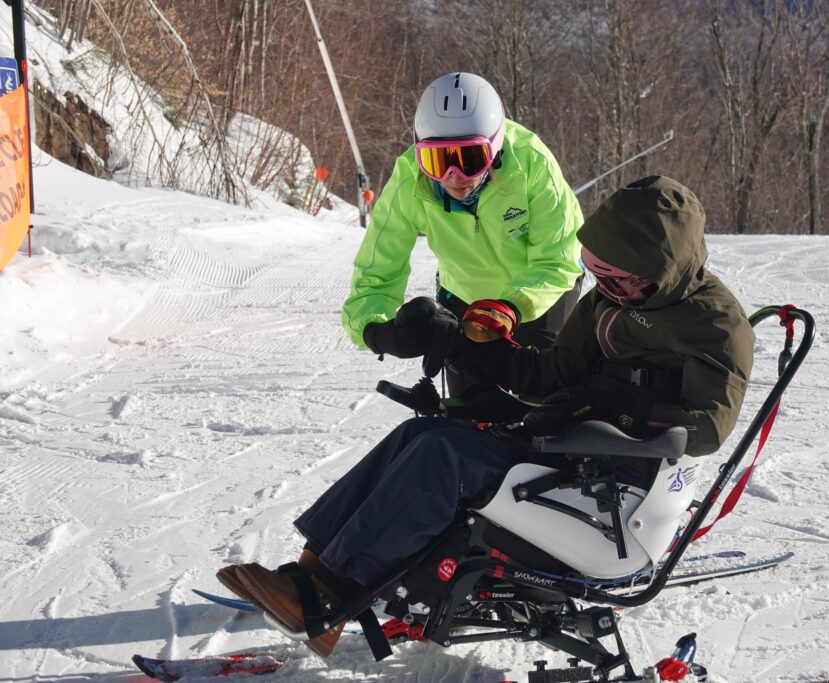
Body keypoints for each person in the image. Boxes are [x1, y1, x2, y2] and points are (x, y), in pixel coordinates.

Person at [218, 176, 755, 657]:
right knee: (423, 432)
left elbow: (705, 429)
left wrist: (608, 405)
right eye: (595, 274)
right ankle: (313, 575)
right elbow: (548, 378)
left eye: (616, 279)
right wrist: (459, 342)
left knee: (446, 457)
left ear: (661, 269)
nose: (603, 290)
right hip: (569, 446)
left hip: (622, 481)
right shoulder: (604, 306)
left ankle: (331, 596)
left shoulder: (716, 327)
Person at [343, 72, 585, 394]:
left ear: (495, 147)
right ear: (419, 152)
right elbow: (377, 270)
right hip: (466, 296)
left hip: (541, 290)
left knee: (543, 391)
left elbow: (559, 259)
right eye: (437, 159)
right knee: (470, 403)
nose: (454, 176)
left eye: (470, 158)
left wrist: (511, 307)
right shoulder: (410, 183)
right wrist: (375, 330)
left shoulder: (532, 166)